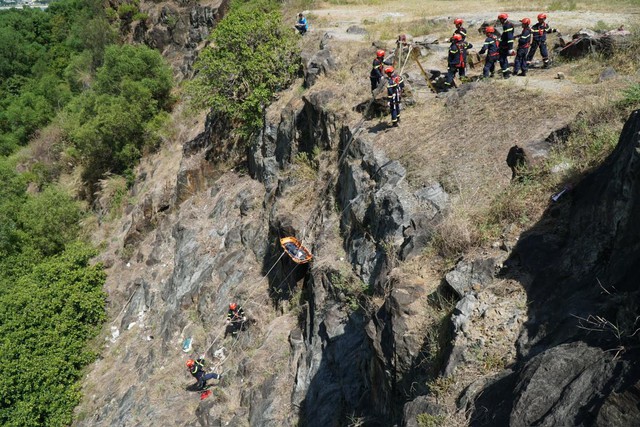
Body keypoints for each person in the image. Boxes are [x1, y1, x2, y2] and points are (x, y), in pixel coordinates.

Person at [497, 13, 515, 79]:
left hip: (505, 46)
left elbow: (510, 38)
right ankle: (506, 73)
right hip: (504, 45)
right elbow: (505, 35)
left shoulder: (507, 26)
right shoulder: (508, 24)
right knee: (504, 59)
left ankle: (506, 75)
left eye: (500, 20)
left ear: (502, 19)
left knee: (502, 59)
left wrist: (510, 48)